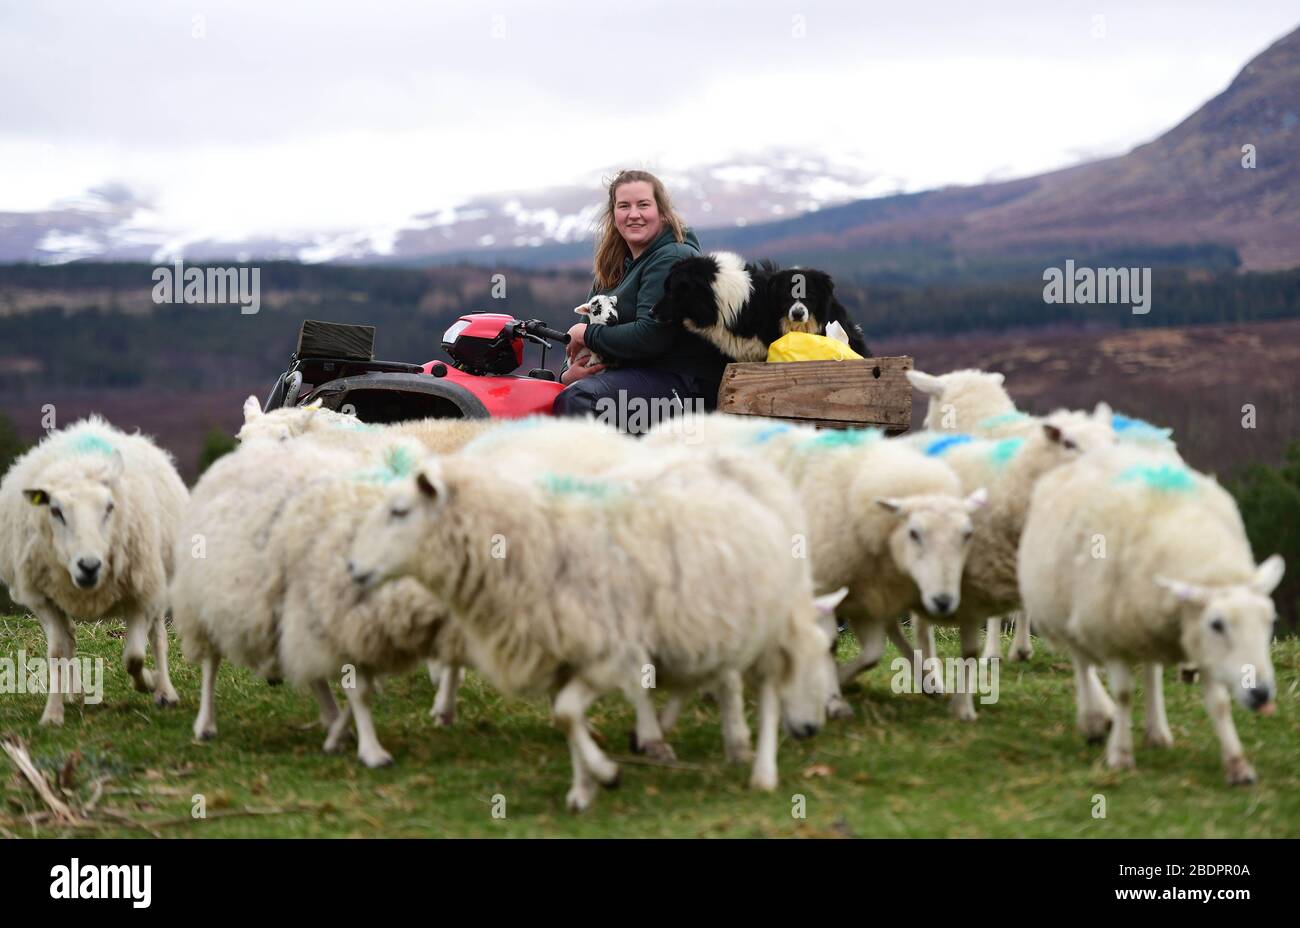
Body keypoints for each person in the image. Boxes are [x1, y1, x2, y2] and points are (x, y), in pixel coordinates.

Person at [553, 170, 730, 430]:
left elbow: (651, 336)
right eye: (624, 206)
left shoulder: (673, 258)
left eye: (643, 205)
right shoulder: (612, 268)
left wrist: (587, 333)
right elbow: (579, 341)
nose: (633, 214)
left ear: (662, 212)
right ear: (613, 215)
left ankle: (604, 470)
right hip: (633, 378)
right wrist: (568, 374)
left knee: (581, 400)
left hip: (681, 386)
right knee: (545, 391)